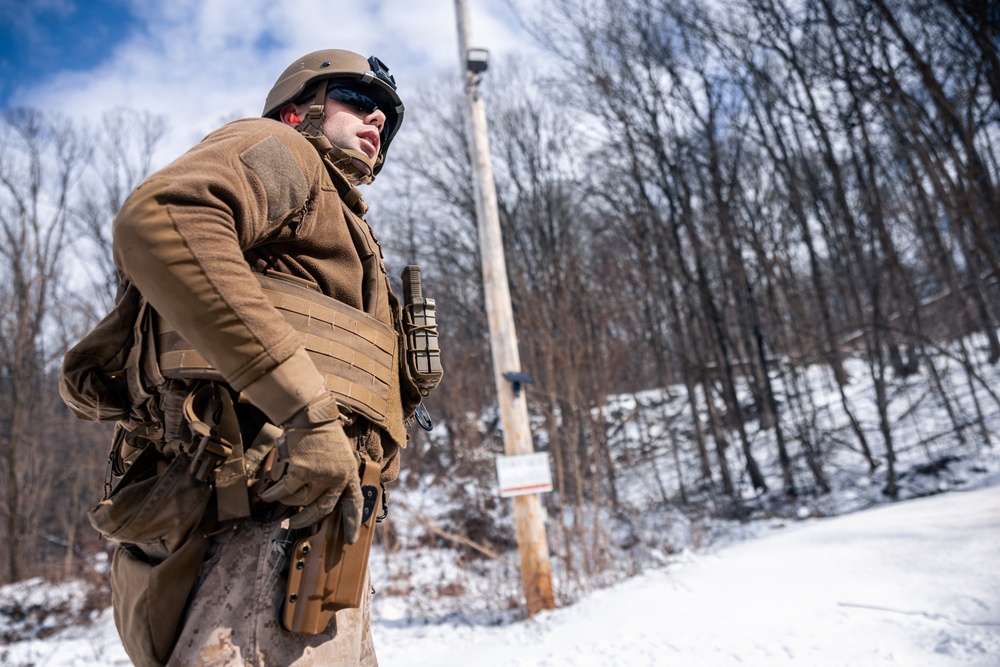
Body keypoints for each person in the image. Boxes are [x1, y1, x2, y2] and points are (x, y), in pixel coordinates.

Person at [60, 49, 435, 667]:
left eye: (388, 121)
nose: (377, 122)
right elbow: (166, 216)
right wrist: (305, 411)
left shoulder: (345, 221)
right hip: (251, 529)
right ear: (298, 110)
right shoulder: (283, 151)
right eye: (359, 100)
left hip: (319, 542)